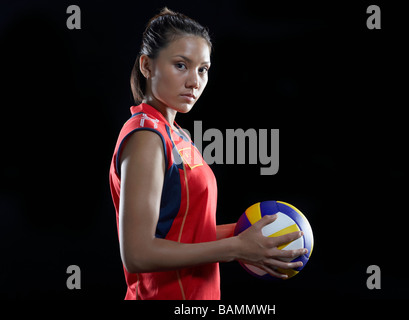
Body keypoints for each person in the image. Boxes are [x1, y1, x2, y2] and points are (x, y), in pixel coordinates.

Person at [109, 7, 307, 300]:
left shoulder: (177, 136)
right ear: (146, 66)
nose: (194, 81)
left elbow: (184, 233)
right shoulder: (145, 136)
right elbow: (138, 253)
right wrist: (236, 248)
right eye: (181, 65)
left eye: (203, 69)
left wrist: (252, 233)